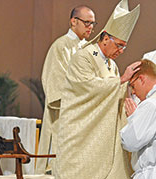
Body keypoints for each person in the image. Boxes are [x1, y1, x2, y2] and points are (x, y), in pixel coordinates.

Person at [55, 0, 140, 178]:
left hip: (102, 134)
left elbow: (114, 92)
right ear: (106, 38)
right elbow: (86, 88)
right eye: (119, 45)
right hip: (81, 133)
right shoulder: (84, 57)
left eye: (124, 46)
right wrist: (122, 80)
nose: (121, 50)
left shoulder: (112, 65)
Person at [36, 5, 96, 174]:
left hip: (83, 116)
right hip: (64, 115)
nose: (90, 27)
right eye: (87, 23)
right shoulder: (61, 46)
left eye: (93, 23)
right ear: (73, 22)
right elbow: (55, 82)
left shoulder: (89, 49)